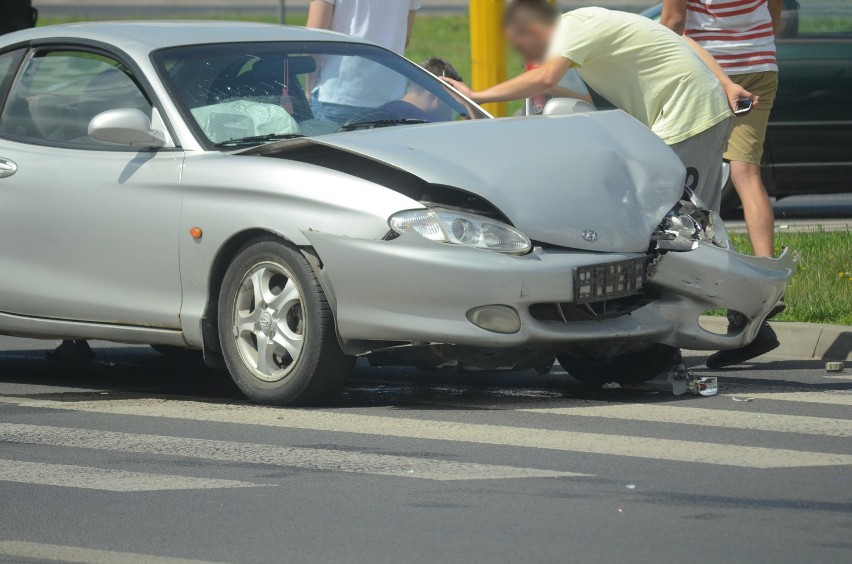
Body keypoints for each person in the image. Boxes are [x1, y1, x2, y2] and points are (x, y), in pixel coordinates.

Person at [442, 0, 757, 215]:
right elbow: (678, 41)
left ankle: (726, 298)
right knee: (697, 214)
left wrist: (479, 95)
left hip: (687, 110)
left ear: (534, 30)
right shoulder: (591, 31)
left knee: (668, 213)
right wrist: (726, 83)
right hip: (700, 106)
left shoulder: (570, 29)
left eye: (524, 47)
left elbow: (544, 76)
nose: (528, 58)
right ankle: (739, 300)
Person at [662, 0, 784, 367]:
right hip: (760, 62)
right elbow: (774, 12)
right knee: (747, 174)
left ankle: (680, 300)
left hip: (708, 72)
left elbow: (671, 22)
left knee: (688, 184)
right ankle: (766, 280)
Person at [306, 0, 422, 123]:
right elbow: (405, 39)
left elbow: (314, 37)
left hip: (339, 93)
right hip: (390, 95)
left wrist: (309, 88)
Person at [380, 57, 464, 122]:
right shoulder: (431, 126)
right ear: (438, 97)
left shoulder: (377, 114)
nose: (451, 115)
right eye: (451, 103)